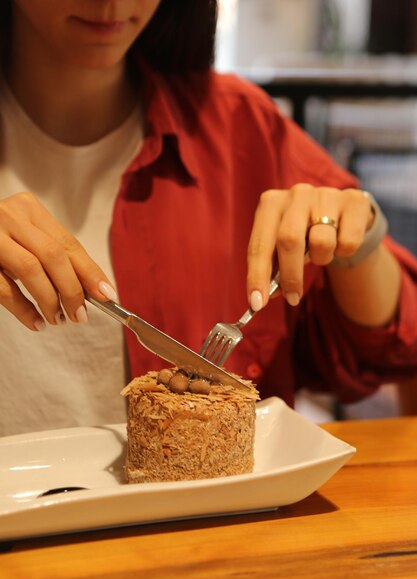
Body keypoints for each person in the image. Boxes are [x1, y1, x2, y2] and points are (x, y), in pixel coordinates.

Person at [1, 0, 417, 437]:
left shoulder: (240, 130)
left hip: (229, 508)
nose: (113, 3)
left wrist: (358, 244)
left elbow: (391, 354)